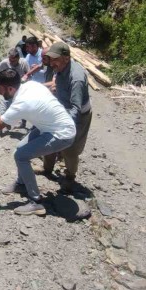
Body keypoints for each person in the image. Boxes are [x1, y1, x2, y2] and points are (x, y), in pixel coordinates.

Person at [0, 69, 76, 216]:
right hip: (52, 125)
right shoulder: (31, 84)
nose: (0, 93)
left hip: (62, 134)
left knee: (21, 156)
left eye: (0, 89)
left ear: (11, 88)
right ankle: (21, 184)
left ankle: (36, 202)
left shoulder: (20, 104)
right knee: (20, 148)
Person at [39, 42, 93, 194]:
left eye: (55, 59)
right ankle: (47, 168)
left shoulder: (76, 78)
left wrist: (65, 126)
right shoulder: (59, 67)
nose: (51, 62)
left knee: (70, 148)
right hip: (62, 109)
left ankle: (70, 177)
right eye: (51, 59)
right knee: (49, 137)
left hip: (78, 115)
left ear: (66, 58)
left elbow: (75, 109)